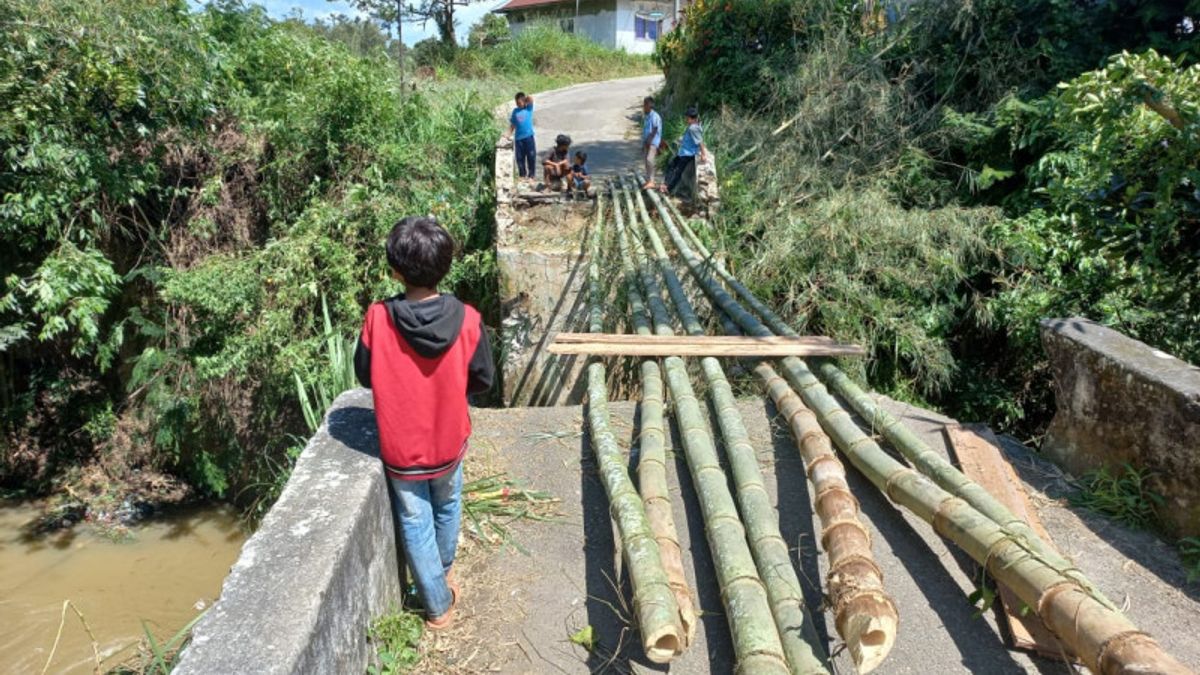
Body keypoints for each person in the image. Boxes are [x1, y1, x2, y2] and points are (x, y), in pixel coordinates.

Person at [354, 216, 495, 631]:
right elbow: (483, 379)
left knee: (415, 519)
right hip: (449, 439)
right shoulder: (469, 319)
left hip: (401, 448)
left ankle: (437, 605)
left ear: (394, 271)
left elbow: (364, 373)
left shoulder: (378, 318)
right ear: (447, 266)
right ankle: (443, 573)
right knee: (448, 503)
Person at [663, 106, 708, 197]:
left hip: (687, 154)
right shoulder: (694, 126)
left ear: (692, 119)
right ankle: (666, 185)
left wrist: (703, 154)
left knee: (678, 171)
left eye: (687, 118)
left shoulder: (693, 128)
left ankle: (668, 188)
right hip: (684, 152)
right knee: (672, 165)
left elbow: (700, 142)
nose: (686, 119)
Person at [509, 92, 536, 180]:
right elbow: (513, 124)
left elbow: (531, 98)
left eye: (520, 103)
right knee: (520, 158)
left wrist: (526, 99)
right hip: (518, 139)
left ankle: (531, 175)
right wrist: (508, 134)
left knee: (531, 156)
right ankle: (522, 175)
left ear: (524, 102)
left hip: (529, 137)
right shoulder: (515, 111)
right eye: (517, 103)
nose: (518, 105)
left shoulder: (528, 108)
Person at [641, 96, 663, 189]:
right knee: (646, 160)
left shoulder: (655, 116)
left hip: (653, 142)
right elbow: (646, 129)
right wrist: (644, 142)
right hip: (647, 141)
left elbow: (655, 129)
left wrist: (649, 141)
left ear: (649, 105)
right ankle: (648, 179)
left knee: (650, 160)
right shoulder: (647, 116)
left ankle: (652, 181)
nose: (643, 107)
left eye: (644, 105)